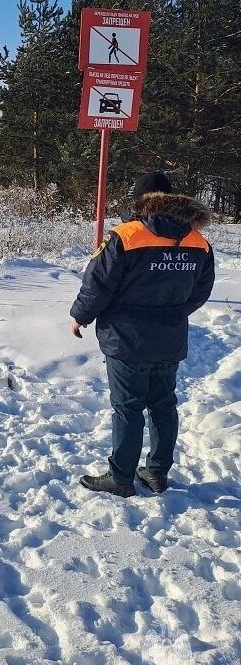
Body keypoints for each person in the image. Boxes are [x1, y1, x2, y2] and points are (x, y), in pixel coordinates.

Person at [70, 171, 215, 498]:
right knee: (164, 405)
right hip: (169, 339)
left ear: (140, 200)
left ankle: (121, 477)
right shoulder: (198, 241)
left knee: (128, 407)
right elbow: (201, 292)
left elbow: (98, 285)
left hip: (126, 340)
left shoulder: (126, 236)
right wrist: (172, 313)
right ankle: (156, 473)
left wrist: (80, 316)